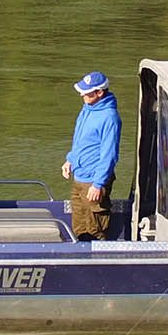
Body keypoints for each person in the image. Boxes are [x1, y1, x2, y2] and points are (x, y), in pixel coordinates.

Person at [62, 71, 121, 241]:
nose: (82, 95)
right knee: (79, 227)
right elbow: (80, 139)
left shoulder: (109, 117)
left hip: (93, 181)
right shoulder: (87, 109)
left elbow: (109, 154)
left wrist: (98, 184)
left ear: (100, 92)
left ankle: (96, 259)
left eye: (86, 93)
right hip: (79, 177)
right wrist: (70, 160)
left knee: (95, 228)